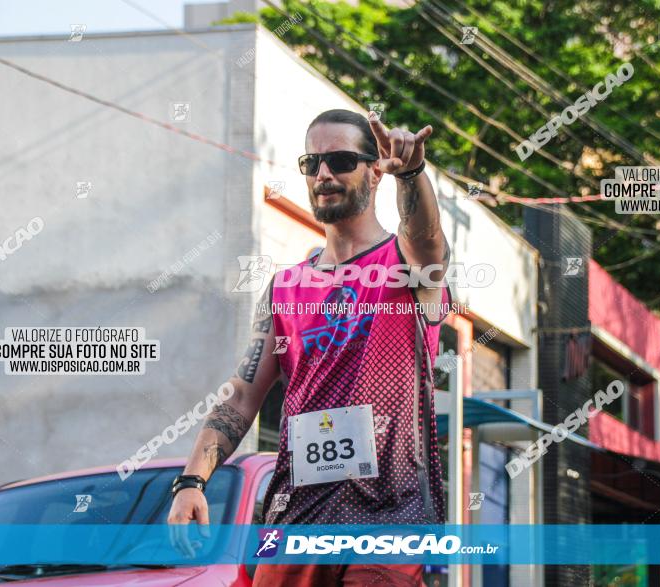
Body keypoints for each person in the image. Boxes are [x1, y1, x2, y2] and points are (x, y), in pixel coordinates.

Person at [167, 108, 451, 586]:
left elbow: (428, 243)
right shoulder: (284, 287)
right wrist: (192, 481)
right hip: (295, 518)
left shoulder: (405, 267)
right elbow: (240, 396)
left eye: (340, 160)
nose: (324, 174)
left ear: (375, 170)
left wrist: (413, 176)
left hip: (388, 520)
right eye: (312, 162)